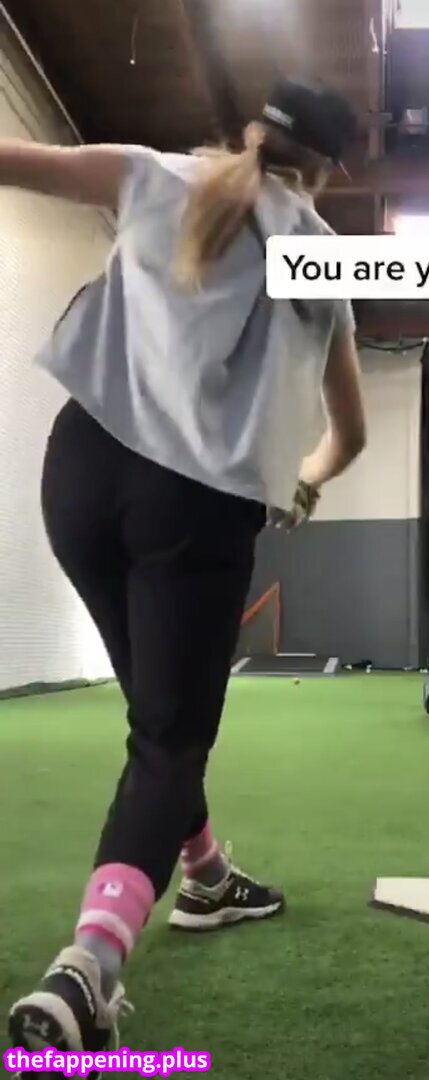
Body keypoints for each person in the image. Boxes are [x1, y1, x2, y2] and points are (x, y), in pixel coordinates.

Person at [3, 78, 366, 1060]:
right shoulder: (323, 256)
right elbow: (350, 435)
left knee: (152, 711)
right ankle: (89, 968)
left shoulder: (151, 174)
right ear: (327, 172)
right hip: (195, 507)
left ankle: (205, 878)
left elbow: (14, 163)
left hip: (79, 470)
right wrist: (303, 483)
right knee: (169, 740)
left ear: (250, 131)